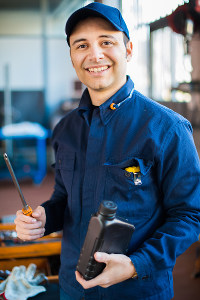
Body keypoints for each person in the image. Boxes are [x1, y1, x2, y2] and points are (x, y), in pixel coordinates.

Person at [14, 2, 200, 300]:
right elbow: (64, 200)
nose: (95, 54)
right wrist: (44, 218)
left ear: (128, 49)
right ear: (72, 56)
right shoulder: (65, 130)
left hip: (136, 291)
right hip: (71, 288)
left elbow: (190, 215)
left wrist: (135, 264)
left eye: (107, 42)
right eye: (82, 45)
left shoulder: (168, 128)